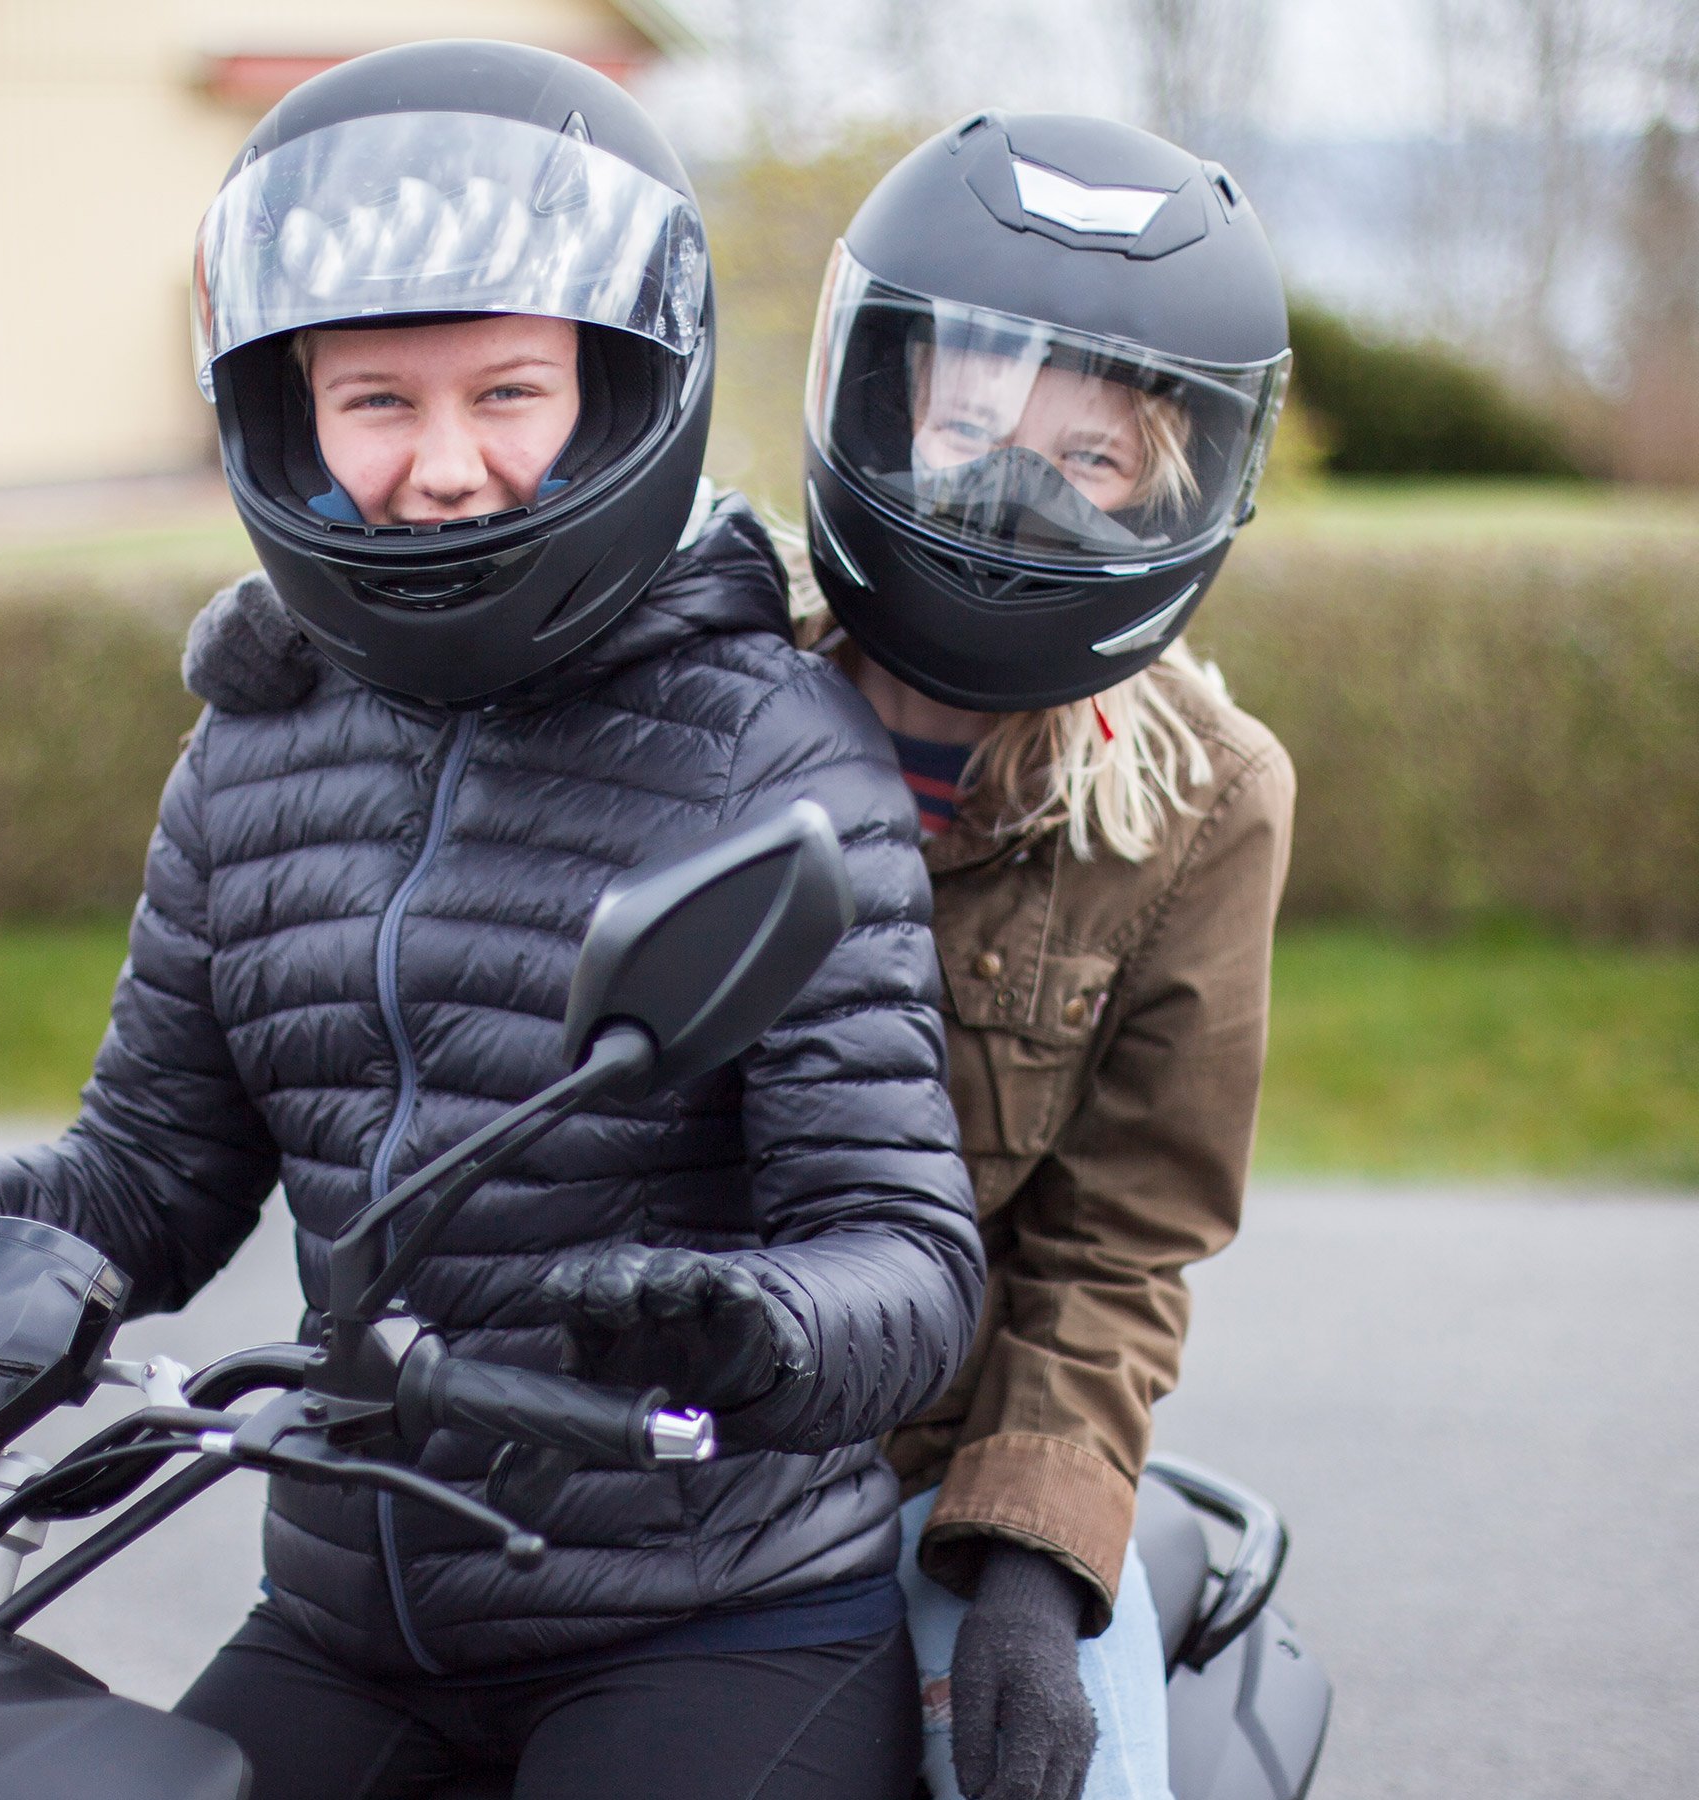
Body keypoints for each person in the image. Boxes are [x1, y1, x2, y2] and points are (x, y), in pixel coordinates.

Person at [0, 41, 985, 1800]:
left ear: (623, 399)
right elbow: (143, 1183)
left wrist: (750, 1326)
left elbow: (907, 1253)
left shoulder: (770, 755)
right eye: (377, 401)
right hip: (350, 1608)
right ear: (287, 416)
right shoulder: (255, 750)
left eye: (509, 395)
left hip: (706, 1614)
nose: (443, 466)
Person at [798, 114, 1300, 1800]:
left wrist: (1025, 1553)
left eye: (1086, 461)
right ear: (882, 407)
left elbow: (1120, 1242)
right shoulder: (715, 684)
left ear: (1173, 488)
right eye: (965, 423)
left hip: (945, 1463)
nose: (1012, 481)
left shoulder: (1200, 799)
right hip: (666, 1454)